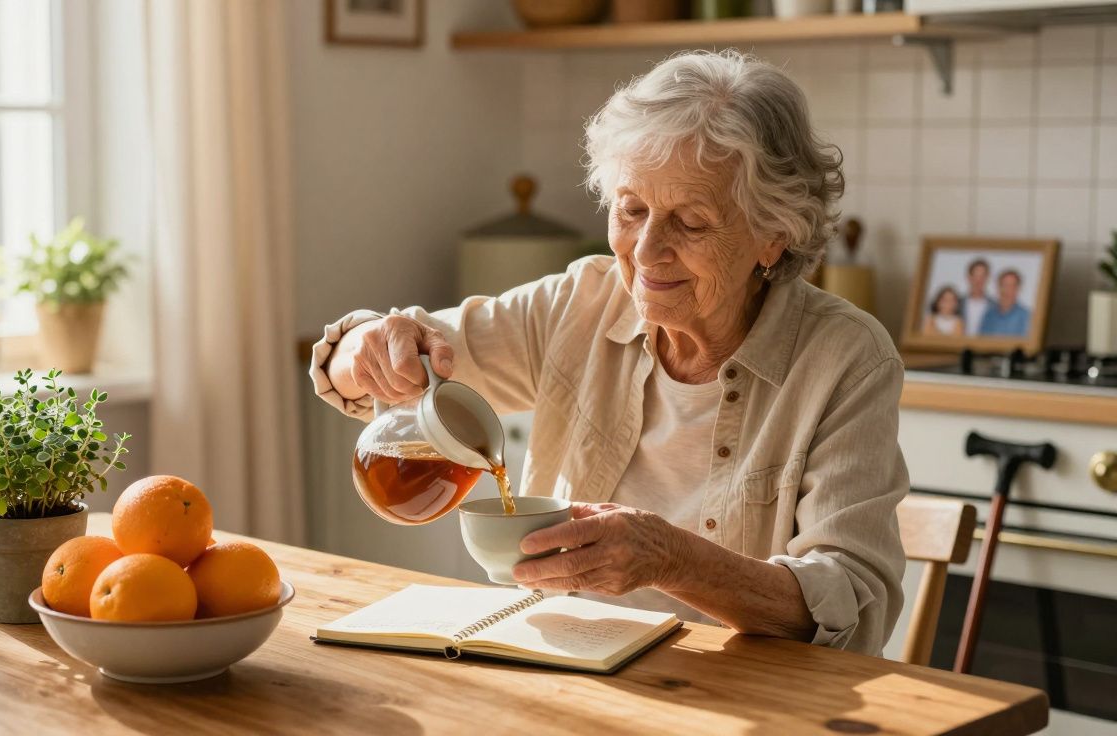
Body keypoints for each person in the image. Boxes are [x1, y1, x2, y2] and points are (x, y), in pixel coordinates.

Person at [310, 51, 906, 656]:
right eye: (632, 209)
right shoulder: (583, 301)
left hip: (743, 701)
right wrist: (368, 345)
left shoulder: (845, 358)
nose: (646, 252)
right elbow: (364, 368)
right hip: (559, 670)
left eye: (691, 222)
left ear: (774, 235)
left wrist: (672, 560)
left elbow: (848, 606)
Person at [978, 269, 1031, 337]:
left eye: (1011, 286)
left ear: (1018, 289)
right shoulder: (989, 315)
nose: (1006, 290)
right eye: (1003, 285)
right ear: (998, 288)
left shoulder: (1026, 317)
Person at [962, 259, 991, 337]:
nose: (978, 280)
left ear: (987, 278)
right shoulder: (958, 303)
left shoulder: (995, 305)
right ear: (969, 277)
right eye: (976, 276)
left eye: (982, 276)